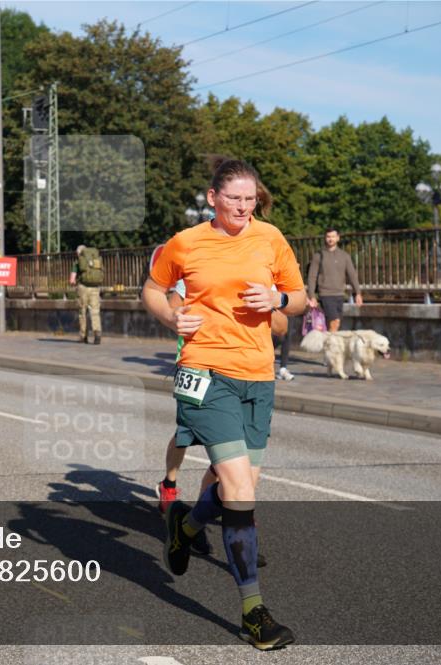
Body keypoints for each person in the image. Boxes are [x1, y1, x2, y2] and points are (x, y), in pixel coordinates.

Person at [143, 158, 305, 650]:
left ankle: (186, 526)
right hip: (204, 370)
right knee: (237, 488)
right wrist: (172, 317)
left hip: (258, 376)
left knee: (244, 485)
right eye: (233, 198)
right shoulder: (186, 242)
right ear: (213, 197)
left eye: (250, 198)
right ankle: (254, 613)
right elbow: (152, 289)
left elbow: (299, 297)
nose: (242, 206)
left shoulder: (271, 238)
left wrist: (277, 301)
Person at [306, 228, 362, 332]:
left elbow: (352, 275)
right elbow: (312, 276)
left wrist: (358, 293)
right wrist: (312, 296)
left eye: (333, 236)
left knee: (335, 323)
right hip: (325, 294)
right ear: (325, 238)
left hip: (340, 294)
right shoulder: (318, 256)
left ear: (338, 238)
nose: (330, 239)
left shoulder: (344, 256)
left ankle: (329, 340)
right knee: (334, 321)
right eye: (328, 236)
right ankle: (332, 341)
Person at [69, 244, 103, 344]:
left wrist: (74, 282)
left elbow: (72, 280)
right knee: (95, 311)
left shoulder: (78, 262)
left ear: (78, 253)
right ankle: (97, 334)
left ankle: (83, 336)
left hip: (83, 288)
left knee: (82, 312)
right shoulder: (96, 260)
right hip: (95, 287)